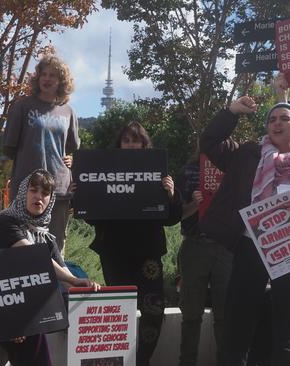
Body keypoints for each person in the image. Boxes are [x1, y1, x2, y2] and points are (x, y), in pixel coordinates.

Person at [200, 94, 290, 365]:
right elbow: (210, 143)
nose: (277, 123)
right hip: (250, 247)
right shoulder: (248, 154)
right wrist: (232, 111)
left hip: (287, 254)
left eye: (285, 118)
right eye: (271, 119)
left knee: (284, 326)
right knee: (238, 322)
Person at [83, 122, 183, 366]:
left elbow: (172, 218)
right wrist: (83, 193)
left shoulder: (157, 173)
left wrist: (170, 195)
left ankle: (142, 361)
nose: (130, 145)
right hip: (115, 255)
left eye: (135, 140)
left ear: (143, 143)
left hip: (148, 254)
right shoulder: (104, 170)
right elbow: (92, 217)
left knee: (153, 309)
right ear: (119, 144)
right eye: (126, 140)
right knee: (120, 310)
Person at [0, 169, 99, 366]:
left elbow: (65, 278)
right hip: (0, 306)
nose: (38, 197)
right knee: (31, 334)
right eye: (33, 190)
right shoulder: (5, 221)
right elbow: (34, 256)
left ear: (51, 200)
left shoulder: (45, 237)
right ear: (24, 192)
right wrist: (73, 280)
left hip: (30, 310)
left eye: (45, 193)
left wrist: (88, 293)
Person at [3, 55, 79, 255]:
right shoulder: (22, 106)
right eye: (43, 74)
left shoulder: (68, 111)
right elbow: (8, 147)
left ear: (61, 81)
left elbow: (71, 147)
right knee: (23, 246)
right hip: (27, 187)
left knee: (56, 245)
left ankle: (59, 285)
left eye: (53, 75)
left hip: (59, 188)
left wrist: (69, 161)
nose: (47, 78)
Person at [176, 148, 232, 366]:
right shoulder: (188, 172)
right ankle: (187, 362)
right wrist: (194, 204)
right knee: (190, 314)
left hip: (226, 248)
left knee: (225, 315)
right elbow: (176, 214)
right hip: (195, 244)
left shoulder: (234, 170)